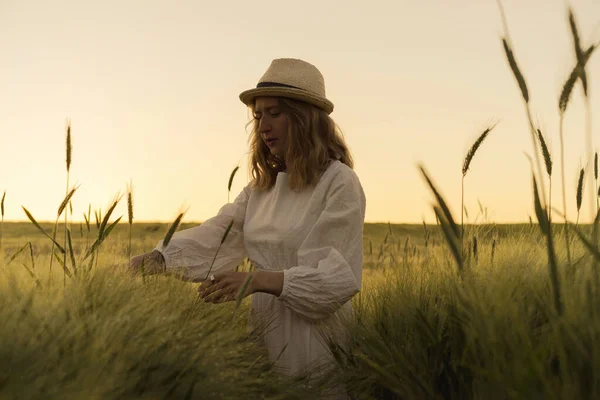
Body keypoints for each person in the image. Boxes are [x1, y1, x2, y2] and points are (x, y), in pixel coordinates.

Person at [130, 58, 366, 392]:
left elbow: (335, 278)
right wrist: (155, 260)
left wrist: (256, 280)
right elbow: (218, 233)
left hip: (315, 339)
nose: (263, 126)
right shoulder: (262, 189)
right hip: (265, 332)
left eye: (275, 113)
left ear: (304, 117)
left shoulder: (339, 183)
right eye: (258, 116)